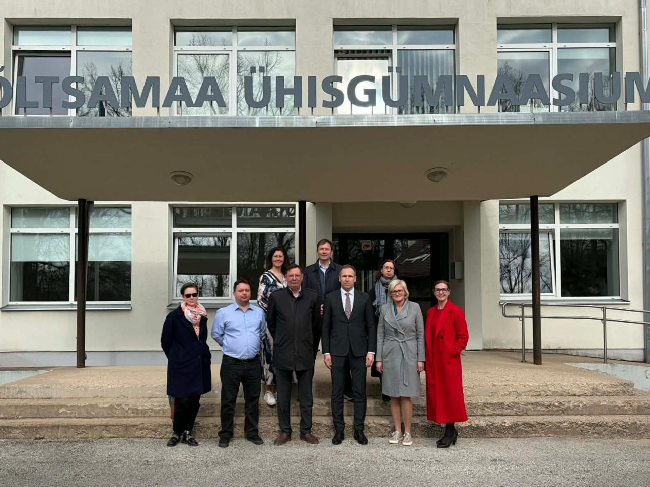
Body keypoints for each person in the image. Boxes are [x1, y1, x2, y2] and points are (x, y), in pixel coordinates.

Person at [267, 264, 321, 446]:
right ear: (286, 278)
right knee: (283, 396)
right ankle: (285, 431)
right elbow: (271, 323)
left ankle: (306, 431)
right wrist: (281, 340)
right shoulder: (276, 297)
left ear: (302, 277)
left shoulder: (312, 297)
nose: (294, 278)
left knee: (306, 396)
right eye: (291, 275)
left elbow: (316, 326)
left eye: (297, 275)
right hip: (283, 353)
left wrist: (309, 345)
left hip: (305, 353)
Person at [322, 265, 376, 445]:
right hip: (336, 351)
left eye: (350, 276)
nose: (346, 279)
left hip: (359, 351)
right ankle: (339, 430)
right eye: (344, 276)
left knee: (360, 391)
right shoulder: (330, 298)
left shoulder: (364, 298)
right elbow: (325, 327)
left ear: (355, 279)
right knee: (337, 392)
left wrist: (371, 351)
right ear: (339, 278)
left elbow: (371, 326)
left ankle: (359, 430)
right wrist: (326, 351)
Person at [211, 279, 266, 448]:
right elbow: (216, 334)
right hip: (231, 363)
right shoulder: (223, 313)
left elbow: (261, 333)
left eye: (247, 290)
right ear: (234, 293)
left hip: (253, 363)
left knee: (253, 400)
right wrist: (231, 346)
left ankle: (252, 432)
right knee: (228, 400)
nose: (244, 293)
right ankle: (226, 434)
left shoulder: (259, 313)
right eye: (241, 290)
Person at [161, 283, 211, 447]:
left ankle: (188, 432)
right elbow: (166, 341)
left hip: (198, 364)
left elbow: (202, 339)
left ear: (198, 295)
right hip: (181, 365)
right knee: (181, 400)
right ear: (183, 297)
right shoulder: (174, 317)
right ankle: (177, 432)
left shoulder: (202, 315)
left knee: (194, 400)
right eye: (188, 295)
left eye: (194, 294)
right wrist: (176, 357)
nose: (191, 298)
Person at [375, 279, 424, 447]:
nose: (397, 293)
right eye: (394, 291)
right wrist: (379, 358)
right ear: (390, 294)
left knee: (406, 394)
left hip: (408, 352)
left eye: (399, 291)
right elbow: (380, 334)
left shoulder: (415, 308)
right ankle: (397, 430)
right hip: (390, 352)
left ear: (405, 292)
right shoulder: (384, 308)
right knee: (393, 394)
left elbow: (420, 335)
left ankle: (408, 431)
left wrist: (420, 358)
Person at [302, 238, 353, 400]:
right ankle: (305, 391)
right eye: (321, 249)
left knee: (340, 354)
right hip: (313, 319)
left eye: (327, 249)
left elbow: (345, 293)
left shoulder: (340, 270)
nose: (324, 251)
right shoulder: (308, 271)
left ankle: (345, 389)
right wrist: (316, 307)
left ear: (331, 252)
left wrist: (332, 308)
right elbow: (304, 295)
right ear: (317, 251)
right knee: (308, 355)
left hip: (336, 319)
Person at [425, 280, 469, 448]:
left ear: (449, 292)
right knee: (438, 394)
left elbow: (463, 336)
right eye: (438, 290)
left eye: (444, 290)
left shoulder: (455, 311)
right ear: (434, 292)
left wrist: (453, 350)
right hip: (434, 360)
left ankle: (450, 430)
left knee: (450, 395)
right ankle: (449, 429)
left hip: (449, 361)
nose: (441, 293)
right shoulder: (431, 312)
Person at [257, 246, 289, 407]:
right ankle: (268, 390)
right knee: (269, 354)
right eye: (275, 256)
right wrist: (274, 315)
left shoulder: (287, 276)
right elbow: (261, 300)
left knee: (283, 354)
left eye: (280, 256)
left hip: (287, 323)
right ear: (271, 258)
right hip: (271, 322)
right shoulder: (266, 277)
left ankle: (281, 388)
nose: (278, 259)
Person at [368, 259, 399, 402]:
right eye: (386, 267)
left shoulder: (400, 287)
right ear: (381, 270)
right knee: (382, 358)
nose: (388, 270)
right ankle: (385, 390)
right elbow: (369, 309)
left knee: (395, 359)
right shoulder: (375, 288)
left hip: (396, 328)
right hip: (379, 328)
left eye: (391, 268)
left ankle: (396, 388)